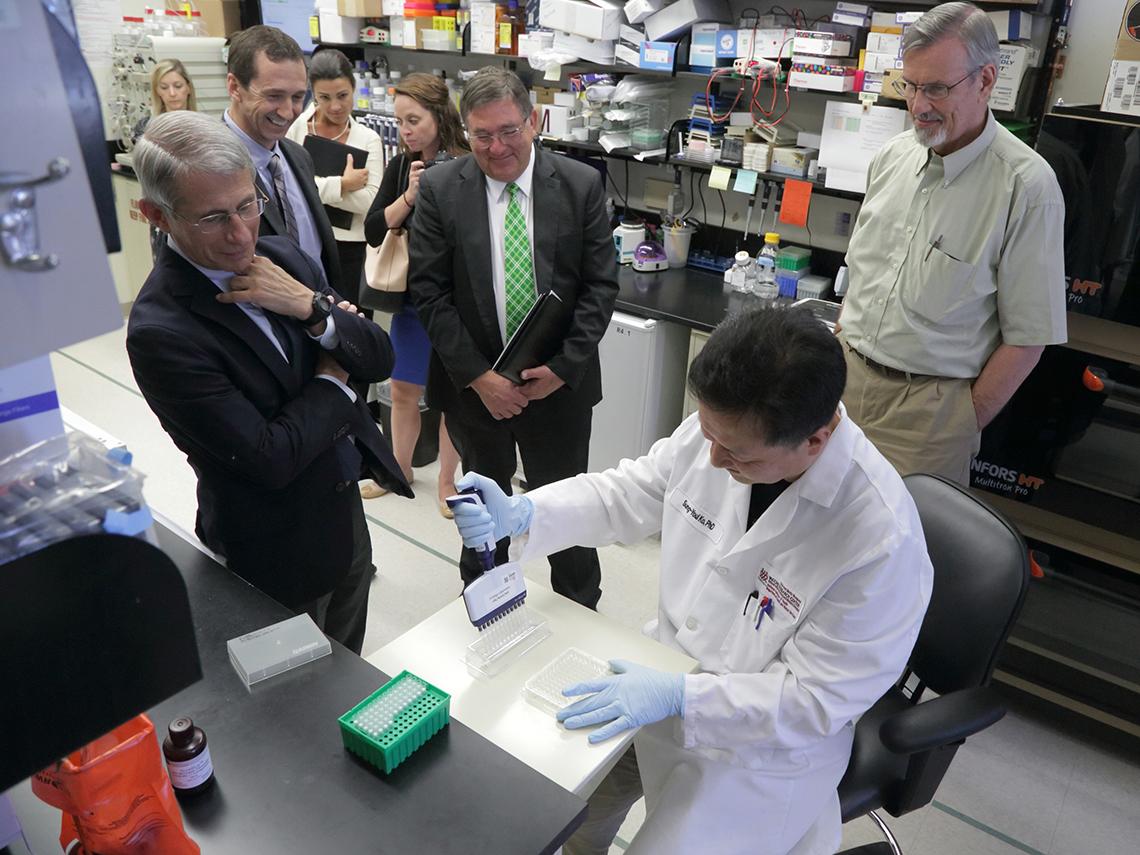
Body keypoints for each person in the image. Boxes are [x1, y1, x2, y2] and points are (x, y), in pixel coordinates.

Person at [450, 307, 933, 855]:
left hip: (755, 757)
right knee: (564, 806)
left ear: (815, 442)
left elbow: (812, 702)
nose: (713, 458)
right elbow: (631, 492)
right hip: (660, 669)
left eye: (737, 453)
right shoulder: (724, 432)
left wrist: (681, 697)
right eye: (707, 435)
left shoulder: (880, 540)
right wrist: (526, 513)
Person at [126, 111, 412, 654]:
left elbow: (378, 358)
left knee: (350, 668)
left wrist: (309, 306)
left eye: (246, 205)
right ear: (157, 215)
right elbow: (269, 457)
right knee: (296, 693)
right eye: (212, 218)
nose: (241, 234)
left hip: (345, 522)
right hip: (273, 553)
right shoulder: (162, 331)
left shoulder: (281, 258)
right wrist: (333, 381)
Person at [408, 67, 618, 608]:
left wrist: (564, 368)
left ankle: (580, 607)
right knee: (482, 513)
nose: (497, 147)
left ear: (534, 121)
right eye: (482, 135)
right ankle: (486, 605)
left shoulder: (579, 185)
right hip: (475, 392)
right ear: (465, 131)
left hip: (558, 389)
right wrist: (481, 379)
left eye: (509, 130)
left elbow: (599, 288)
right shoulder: (440, 189)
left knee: (567, 511)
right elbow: (429, 294)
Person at [839, 1, 1067, 484]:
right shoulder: (891, 158)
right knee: (813, 522)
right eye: (910, 85)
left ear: (986, 80)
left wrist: (962, 422)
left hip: (928, 417)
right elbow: (862, 278)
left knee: (906, 535)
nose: (918, 105)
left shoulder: (1027, 187)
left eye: (937, 89)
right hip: (839, 387)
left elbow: (1029, 337)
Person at [362, 72, 465, 511]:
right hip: (411, 300)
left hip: (457, 302)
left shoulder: (467, 163)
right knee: (403, 389)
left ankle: (447, 482)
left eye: (413, 120)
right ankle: (398, 470)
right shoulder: (403, 167)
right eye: (400, 121)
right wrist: (408, 196)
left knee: (453, 398)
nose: (405, 130)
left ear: (439, 116)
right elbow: (372, 229)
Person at [223, 25, 343, 293]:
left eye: (298, 97)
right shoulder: (206, 168)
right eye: (274, 96)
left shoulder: (298, 156)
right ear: (234, 87)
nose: (288, 112)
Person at [285, 48, 381, 315]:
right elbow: (291, 189)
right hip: (307, 241)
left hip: (352, 251)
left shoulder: (368, 138)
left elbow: (368, 202)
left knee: (354, 322)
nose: (336, 106)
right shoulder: (297, 128)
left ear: (353, 88)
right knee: (310, 317)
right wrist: (343, 184)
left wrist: (314, 187)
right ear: (313, 95)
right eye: (324, 98)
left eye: (342, 95)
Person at [132, 58, 197, 142]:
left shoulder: (203, 128)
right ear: (157, 91)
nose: (172, 93)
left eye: (178, 86)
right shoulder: (144, 129)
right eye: (164, 87)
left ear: (189, 88)